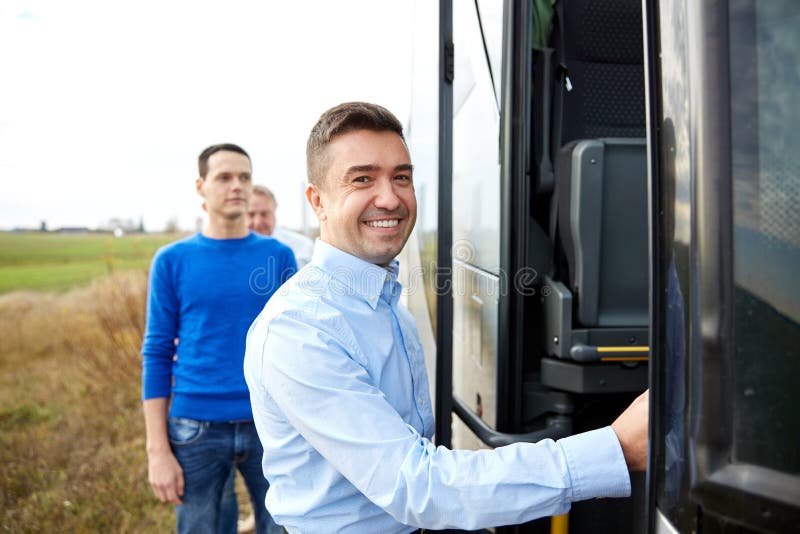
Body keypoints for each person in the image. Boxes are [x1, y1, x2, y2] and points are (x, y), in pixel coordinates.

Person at [243, 102, 649, 533]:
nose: (390, 197)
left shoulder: (386, 305)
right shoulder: (301, 329)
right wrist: (614, 450)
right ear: (317, 201)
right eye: (362, 179)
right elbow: (417, 486)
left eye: (401, 176)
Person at [142, 143, 296, 534]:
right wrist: (157, 450)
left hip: (271, 423)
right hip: (196, 428)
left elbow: (299, 348)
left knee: (285, 527)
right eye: (224, 177)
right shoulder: (171, 260)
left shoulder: (278, 257)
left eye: (244, 177)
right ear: (201, 187)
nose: (237, 186)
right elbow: (157, 353)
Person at [247, 185, 314, 267]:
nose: (257, 222)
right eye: (251, 214)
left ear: (274, 212)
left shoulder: (303, 248)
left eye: (264, 214)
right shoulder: (232, 249)